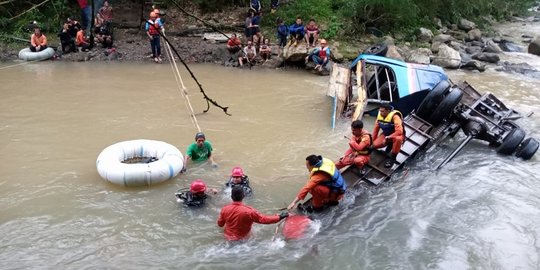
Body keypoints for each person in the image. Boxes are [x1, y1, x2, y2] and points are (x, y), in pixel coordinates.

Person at [217, 186, 288, 241]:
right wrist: (280, 217)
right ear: (243, 196)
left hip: (227, 238)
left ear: (231, 197)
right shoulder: (249, 211)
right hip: (243, 241)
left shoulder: (224, 209)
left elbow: (220, 224)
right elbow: (264, 220)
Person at [372, 104, 404, 168]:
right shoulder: (379, 116)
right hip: (386, 134)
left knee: (398, 139)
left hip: (396, 135)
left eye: (382, 111)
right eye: (380, 111)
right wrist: (371, 143)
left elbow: (399, 131)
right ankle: (390, 143)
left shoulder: (395, 117)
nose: (380, 113)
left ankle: (393, 158)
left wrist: (389, 137)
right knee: (375, 145)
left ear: (388, 111)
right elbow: (375, 130)